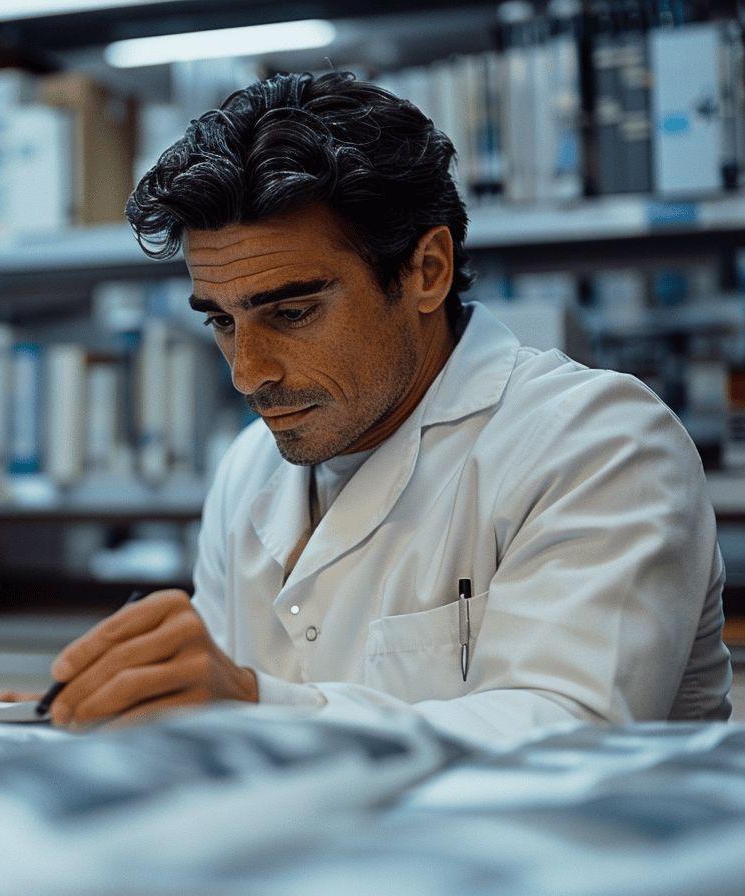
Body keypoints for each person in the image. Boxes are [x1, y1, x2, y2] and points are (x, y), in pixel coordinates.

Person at [40, 71, 732, 744]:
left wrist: (256, 706)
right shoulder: (250, 469)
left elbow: (567, 742)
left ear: (426, 271)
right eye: (221, 322)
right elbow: (218, 742)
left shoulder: (598, 443)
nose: (248, 375)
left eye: (293, 311)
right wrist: (102, 722)